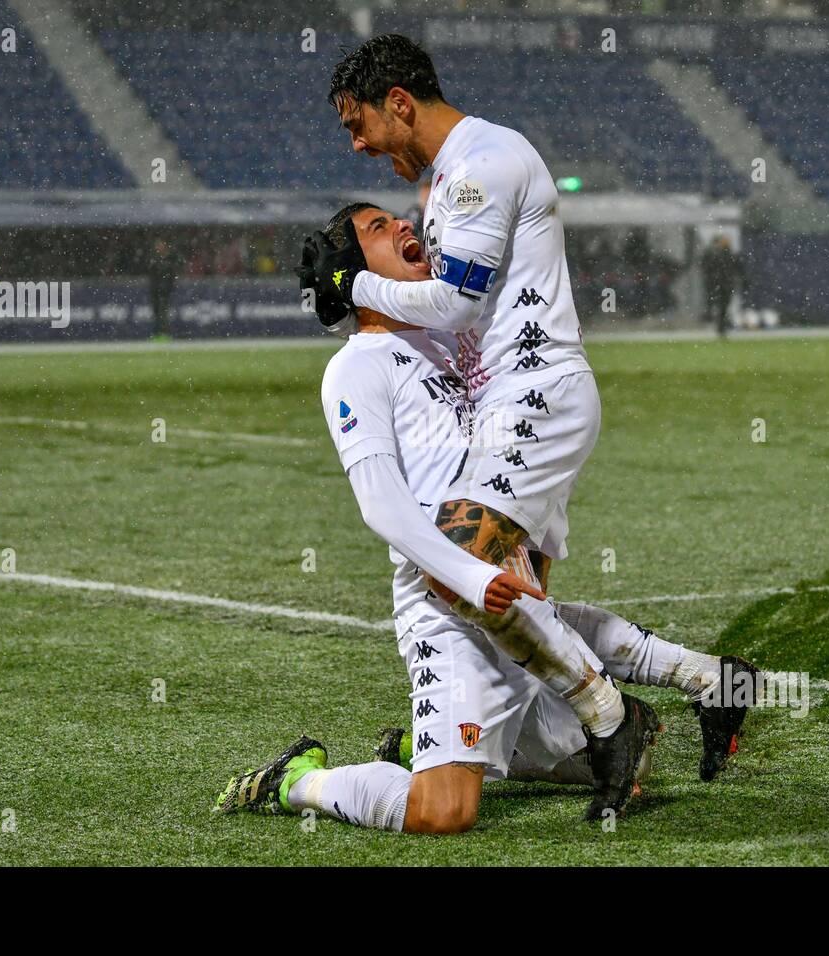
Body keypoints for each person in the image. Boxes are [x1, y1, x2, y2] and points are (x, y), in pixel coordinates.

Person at [215, 204, 759, 834]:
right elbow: (381, 505)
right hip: (444, 607)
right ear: (353, 272)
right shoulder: (356, 365)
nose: (400, 226)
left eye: (396, 219)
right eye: (377, 229)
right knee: (443, 812)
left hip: (507, 588)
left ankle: (436, 745)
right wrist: (470, 580)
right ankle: (298, 781)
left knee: (623, 761)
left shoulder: (458, 338)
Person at [303, 35, 660, 817]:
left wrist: (354, 280)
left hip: (531, 400)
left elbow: (459, 301)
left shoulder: (481, 162)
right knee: (516, 595)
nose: (357, 144)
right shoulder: (445, 191)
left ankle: (610, 718)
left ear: (400, 102)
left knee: (470, 574)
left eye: (357, 123)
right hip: (517, 406)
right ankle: (673, 695)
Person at [701, 235, 744, 336]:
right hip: (720, 284)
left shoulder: (729, 255)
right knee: (719, 304)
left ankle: (720, 325)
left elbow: (739, 269)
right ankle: (718, 323)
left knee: (722, 305)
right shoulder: (716, 254)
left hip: (723, 284)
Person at [148, 238, 176, 341]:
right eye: (157, 246)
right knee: (157, 313)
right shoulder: (155, 259)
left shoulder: (169, 259)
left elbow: (171, 276)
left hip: (164, 291)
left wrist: (167, 288)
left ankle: (165, 334)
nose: (158, 248)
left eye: (160, 246)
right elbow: (152, 275)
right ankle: (158, 334)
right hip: (156, 291)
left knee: (162, 314)